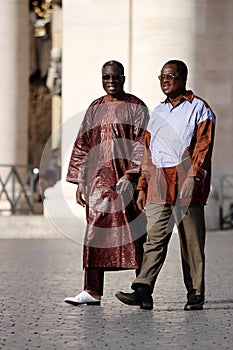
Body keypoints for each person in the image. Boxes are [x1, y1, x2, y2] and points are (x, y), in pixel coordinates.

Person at [115, 59, 216, 311]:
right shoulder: (157, 112)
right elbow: (148, 152)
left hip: (186, 180)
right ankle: (143, 289)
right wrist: (141, 187)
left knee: (190, 242)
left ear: (183, 77)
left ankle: (195, 294)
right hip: (158, 181)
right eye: (161, 77)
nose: (165, 81)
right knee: (154, 239)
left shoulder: (200, 108)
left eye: (169, 76)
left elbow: (203, 146)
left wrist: (193, 177)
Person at [64, 60, 149, 305]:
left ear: (123, 78)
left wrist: (131, 175)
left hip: (127, 183)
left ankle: (143, 292)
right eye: (106, 78)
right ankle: (91, 291)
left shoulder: (136, 106)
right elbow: (83, 144)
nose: (111, 82)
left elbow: (142, 142)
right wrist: (81, 180)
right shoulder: (95, 108)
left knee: (135, 235)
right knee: (94, 235)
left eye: (115, 77)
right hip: (98, 184)